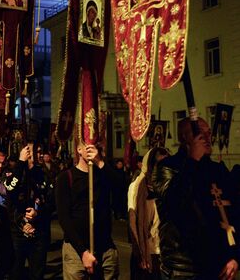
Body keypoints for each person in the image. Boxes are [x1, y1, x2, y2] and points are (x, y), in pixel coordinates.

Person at [152, 118, 239, 279]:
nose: (207, 138)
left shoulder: (217, 170)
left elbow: (234, 213)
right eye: (200, 133)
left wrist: (234, 255)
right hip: (183, 268)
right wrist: (192, 160)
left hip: (217, 266)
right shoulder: (167, 168)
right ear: (185, 138)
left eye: (208, 133)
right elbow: (175, 203)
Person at [56, 140, 119, 279]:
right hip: (77, 251)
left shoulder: (103, 174)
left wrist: (100, 162)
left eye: (96, 145)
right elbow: (64, 218)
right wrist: (83, 252)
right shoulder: (66, 178)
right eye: (88, 145)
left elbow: (120, 187)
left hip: (105, 248)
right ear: (79, 149)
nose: (93, 148)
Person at [4, 145, 54, 280]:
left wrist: (38, 213)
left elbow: (51, 202)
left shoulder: (43, 174)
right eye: (36, 152)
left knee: (37, 273)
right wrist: (21, 162)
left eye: (41, 151)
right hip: (17, 233)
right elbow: (10, 190)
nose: (40, 155)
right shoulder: (14, 171)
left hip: (38, 232)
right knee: (16, 272)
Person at [128, 147, 168, 280]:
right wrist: (140, 254)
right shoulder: (137, 187)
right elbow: (134, 222)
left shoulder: (169, 186)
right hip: (148, 254)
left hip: (167, 253)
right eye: (158, 164)